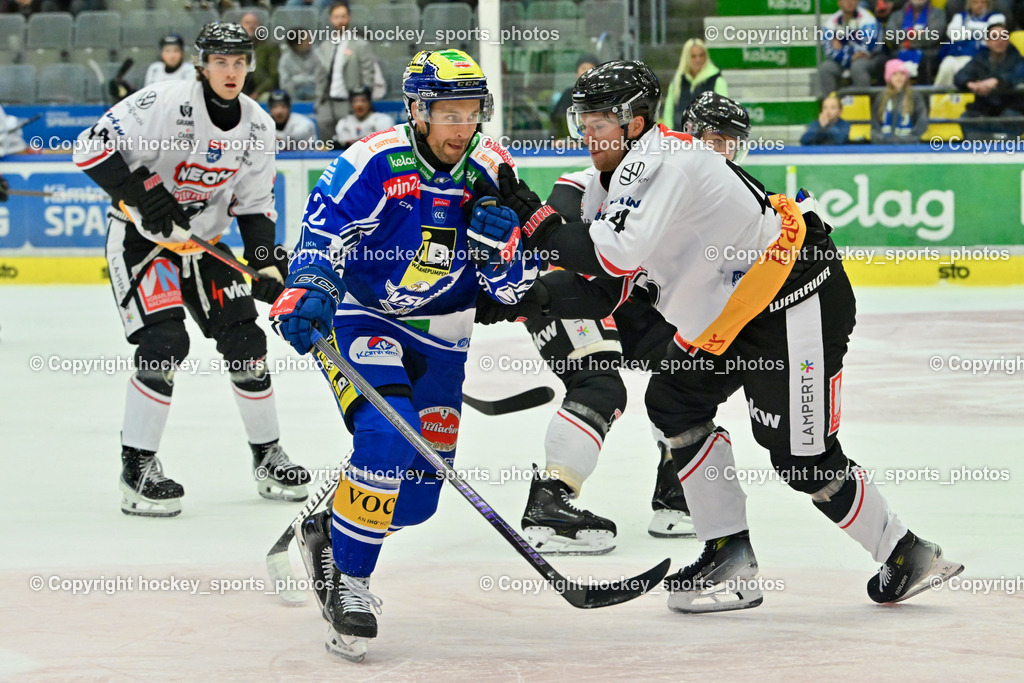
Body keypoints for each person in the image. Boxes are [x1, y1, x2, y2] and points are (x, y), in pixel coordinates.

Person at [468, 60, 964, 613]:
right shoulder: (609, 183)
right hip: (732, 315)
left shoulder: (666, 163)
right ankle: (729, 559)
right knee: (675, 400)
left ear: (635, 122)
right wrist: (517, 300)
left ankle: (904, 553)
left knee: (804, 460)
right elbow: (603, 292)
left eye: (601, 121)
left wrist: (533, 223)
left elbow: (614, 253)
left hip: (793, 299)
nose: (588, 135)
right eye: (582, 120)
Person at [269, 49, 538, 660]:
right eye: (448, 111)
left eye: (472, 112)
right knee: (391, 439)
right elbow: (321, 233)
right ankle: (350, 582)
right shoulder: (373, 161)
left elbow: (513, 290)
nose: (460, 126)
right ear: (418, 110)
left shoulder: (494, 169)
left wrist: (503, 253)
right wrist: (310, 289)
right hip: (365, 318)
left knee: (417, 499)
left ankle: (330, 532)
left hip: (446, 335)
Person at [475, 91, 755, 551]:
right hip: (565, 295)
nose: (719, 152)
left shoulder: (704, 198)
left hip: (622, 304)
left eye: (730, 143)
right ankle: (550, 504)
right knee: (600, 387)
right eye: (710, 140)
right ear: (685, 136)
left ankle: (674, 490)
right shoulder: (599, 178)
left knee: (684, 379)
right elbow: (560, 243)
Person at [72, 22, 310, 517]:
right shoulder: (162, 102)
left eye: (241, 62)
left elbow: (255, 206)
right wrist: (142, 194)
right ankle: (137, 467)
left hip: (208, 243)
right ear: (202, 65)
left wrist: (264, 264)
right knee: (164, 344)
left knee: (247, 339)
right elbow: (89, 147)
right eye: (221, 62)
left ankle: (267, 456)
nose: (232, 71)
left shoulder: (259, 127)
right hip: (143, 241)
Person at [315, 1, 378, 143]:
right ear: (331, 19)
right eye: (336, 17)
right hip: (327, 102)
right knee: (326, 143)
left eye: (343, 16)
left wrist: (363, 99)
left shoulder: (360, 45)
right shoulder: (324, 46)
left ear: (349, 18)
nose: (340, 21)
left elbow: (368, 74)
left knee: (349, 143)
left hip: (349, 102)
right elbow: (319, 76)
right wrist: (319, 101)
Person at [954, 15, 1024, 138]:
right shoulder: (980, 58)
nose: (1000, 41)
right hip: (984, 110)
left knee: (1013, 117)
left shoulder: (1017, 58)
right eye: (995, 37)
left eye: (1004, 37)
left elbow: (1018, 73)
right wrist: (971, 84)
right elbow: (960, 75)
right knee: (966, 118)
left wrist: (997, 81)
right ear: (987, 40)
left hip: (1010, 110)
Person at [661, 39, 727, 131]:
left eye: (701, 55)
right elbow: (669, 111)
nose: (698, 60)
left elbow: (722, 111)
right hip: (679, 136)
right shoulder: (678, 80)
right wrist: (669, 133)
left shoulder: (716, 79)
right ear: (686, 58)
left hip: (706, 138)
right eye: (693, 56)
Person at [817, 0, 880, 97]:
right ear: (839, 2)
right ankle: (830, 106)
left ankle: (863, 106)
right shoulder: (831, 23)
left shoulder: (867, 19)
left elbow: (867, 46)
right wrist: (850, 57)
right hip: (845, 61)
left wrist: (842, 48)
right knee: (826, 68)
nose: (849, 2)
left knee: (858, 67)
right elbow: (829, 51)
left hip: (870, 59)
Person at [935, 1, 1004, 86]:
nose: (979, 5)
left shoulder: (997, 17)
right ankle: (938, 97)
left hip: (978, 56)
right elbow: (953, 34)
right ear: (970, 4)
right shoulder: (960, 16)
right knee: (946, 66)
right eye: (976, 3)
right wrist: (978, 33)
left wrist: (966, 31)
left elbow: (992, 35)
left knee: (961, 69)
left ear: (988, 4)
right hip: (956, 54)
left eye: (983, 3)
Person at [880, 0, 946, 84]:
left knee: (927, 63)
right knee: (885, 62)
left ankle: (924, 96)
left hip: (928, 54)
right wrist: (913, 33)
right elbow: (890, 35)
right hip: (899, 52)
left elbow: (933, 36)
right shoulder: (897, 15)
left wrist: (909, 44)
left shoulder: (938, 14)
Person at [872, 59, 929, 143]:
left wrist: (913, 137)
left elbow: (922, 119)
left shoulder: (914, 96)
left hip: (909, 145)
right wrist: (880, 138)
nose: (899, 77)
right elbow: (875, 121)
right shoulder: (881, 97)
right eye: (894, 74)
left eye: (902, 74)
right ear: (889, 77)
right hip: (884, 146)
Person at [550, 53, 599, 138]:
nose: (586, 72)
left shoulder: (603, 95)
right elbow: (558, 119)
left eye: (591, 69)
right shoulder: (568, 94)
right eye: (583, 68)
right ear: (577, 72)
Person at [239, 11, 279, 100]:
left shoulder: (270, 47)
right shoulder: (234, 48)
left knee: (266, 98)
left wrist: (257, 93)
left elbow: (273, 77)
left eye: (254, 23)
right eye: (247, 23)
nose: (251, 26)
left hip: (262, 91)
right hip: (239, 91)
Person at [278, 34, 326, 102]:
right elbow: (284, 83)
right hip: (293, 98)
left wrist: (297, 79)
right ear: (296, 44)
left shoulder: (318, 55)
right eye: (306, 40)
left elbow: (320, 79)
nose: (310, 42)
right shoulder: (285, 59)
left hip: (316, 96)